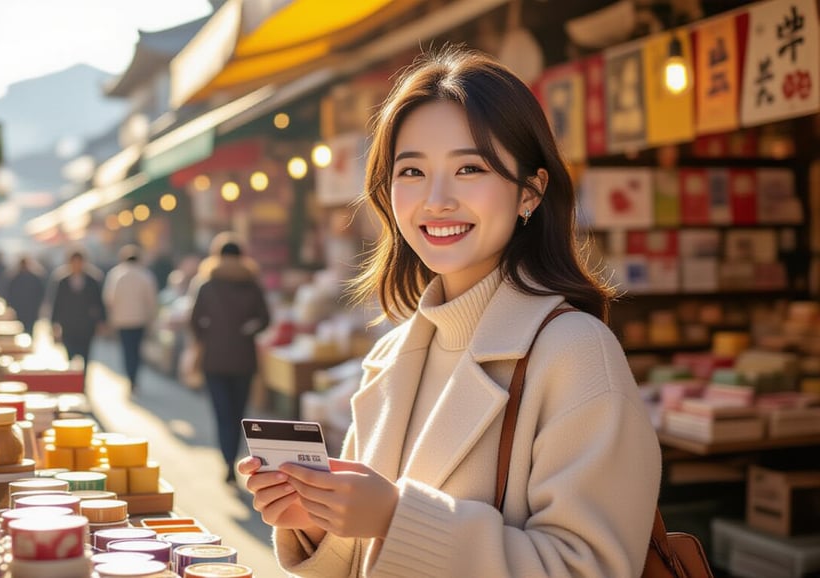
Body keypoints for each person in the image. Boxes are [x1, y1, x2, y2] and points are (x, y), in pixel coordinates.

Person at [239, 47, 661, 577]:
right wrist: (317, 521)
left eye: (469, 167)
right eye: (411, 170)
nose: (436, 199)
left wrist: (395, 517)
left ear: (530, 191)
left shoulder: (574, 352)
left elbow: (590, 568)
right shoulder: (393, 355)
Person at [190, 239, 270, 483]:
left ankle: (227, 460)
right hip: (243, 359)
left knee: (221, 412)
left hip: (214, 359)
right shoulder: (251, 284)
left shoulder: (207, 285)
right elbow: (266, 319)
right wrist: (247, 330)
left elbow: (194, 321)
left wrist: (209, 335)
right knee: (238, 413)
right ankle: (234, 457)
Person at [103, 245, 159, 392]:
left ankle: (130, 377)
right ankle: (134, 377)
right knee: (136, 350)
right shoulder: (145, 275)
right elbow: (152, 300)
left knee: (127, 350)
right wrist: (151, 318)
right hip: (139, 319)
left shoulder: (116, 274)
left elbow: (109, 299)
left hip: (121, 320)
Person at [49, 251, 105, 374]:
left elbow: (99, 302)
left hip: (86, 325)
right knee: (70, 354)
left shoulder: (92, 281)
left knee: (86, 355)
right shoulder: (62, 282)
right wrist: (54, 324)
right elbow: (57, 303)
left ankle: (83, 382)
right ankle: (71, 382)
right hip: (68, 325)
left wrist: (101, 321)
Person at [5, 256, 46, 337]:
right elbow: (9, 294)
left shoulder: (34, 278)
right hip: (21, 311)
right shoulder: (15, 278)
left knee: (28, 331)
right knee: (20, 332)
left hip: (30, 311)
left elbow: (40, 294)